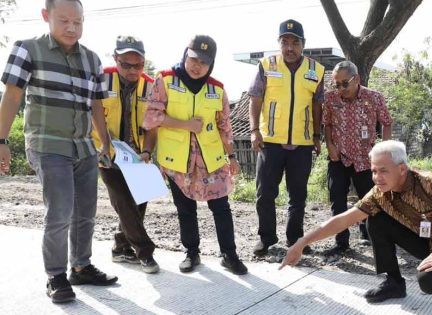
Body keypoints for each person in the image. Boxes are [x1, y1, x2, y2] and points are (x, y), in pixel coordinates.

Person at [0, 0, 117, 304]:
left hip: (84, 146)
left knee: (86, 212)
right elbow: (12, 97)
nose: (71, 27)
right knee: (60, 211)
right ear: (46, 17)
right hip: (47, 144)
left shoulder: (92, 60)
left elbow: (96, 105)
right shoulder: (27, 49)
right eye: (63, 20)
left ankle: (81, 265)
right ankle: (55, 275)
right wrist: (1, 141)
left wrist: (105, 141)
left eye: (77, 22)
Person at [280, 140, 432, 309]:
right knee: (376, 219)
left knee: (429, 281)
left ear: (402, 169)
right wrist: (302, 242)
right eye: (374, 171)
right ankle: (393, 282)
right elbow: (343, 219)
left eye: (383, 171)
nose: (377, 177)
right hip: (425, 241)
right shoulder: (379, 193)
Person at [142, 34, 248, 275]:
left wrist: (231, 157)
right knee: (185, 208)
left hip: (211, 159)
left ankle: (229, 255)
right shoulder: (166, 80)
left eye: (203, 62)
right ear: (185, 55)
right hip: (177, 160)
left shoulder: (217, 89)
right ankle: (192, 252)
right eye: (193, 59)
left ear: (211, 64)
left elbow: (225, 127)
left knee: (221, 207)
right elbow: (151, 117)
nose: (197, 66)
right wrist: (185, 124)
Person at [248, 19, 325, 256]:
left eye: (295, 42)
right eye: (285, 42)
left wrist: (316, 135)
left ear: (303, 44)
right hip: (270, 140)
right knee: (265, 194)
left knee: (298, 195)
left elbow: (317, 104)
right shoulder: (267, 65)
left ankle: (296, 239)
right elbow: (255, 98)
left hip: (301, 143)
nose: (289, 47)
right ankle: (267, 238)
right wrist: (254, 131)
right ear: (279, 43)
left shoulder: (316, 70)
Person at [92, 36, 159, 274]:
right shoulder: (101, 78)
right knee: (123, 202)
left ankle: (120, 247)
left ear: (144, 62)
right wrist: (102, 146)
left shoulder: (151, 86)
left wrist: (147, 151)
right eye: (126, 64)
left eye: (138, 65)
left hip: (137, 155)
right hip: (106, 153)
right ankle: (145, 253)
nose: (132, 70)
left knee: (140, 201)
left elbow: (152, 125)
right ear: (115, 59)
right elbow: (91, 111)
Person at [323, 60, 392, 254]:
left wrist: (384, 149)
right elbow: (327, 124)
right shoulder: (330, 99)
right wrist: (330, 145)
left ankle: (370, 236)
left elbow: (386, 122)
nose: (341, 89)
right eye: (337, 84)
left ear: (357, 79)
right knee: (337, 200)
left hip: (365, 159)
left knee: (368, 199)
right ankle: (341, 243)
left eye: (345, 83)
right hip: (339, 157)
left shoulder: (374, 98)